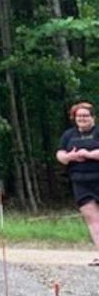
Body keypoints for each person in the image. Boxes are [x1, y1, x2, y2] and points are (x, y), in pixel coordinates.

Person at [56, 101, 99, 265]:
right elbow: (59, 154)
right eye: (79, 116)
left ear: (92, 117)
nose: (82, 118)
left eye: (85, 115)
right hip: (80, 182)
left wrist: (89, 154)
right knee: (93, 220)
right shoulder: (68, 135)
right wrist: (68, 157)